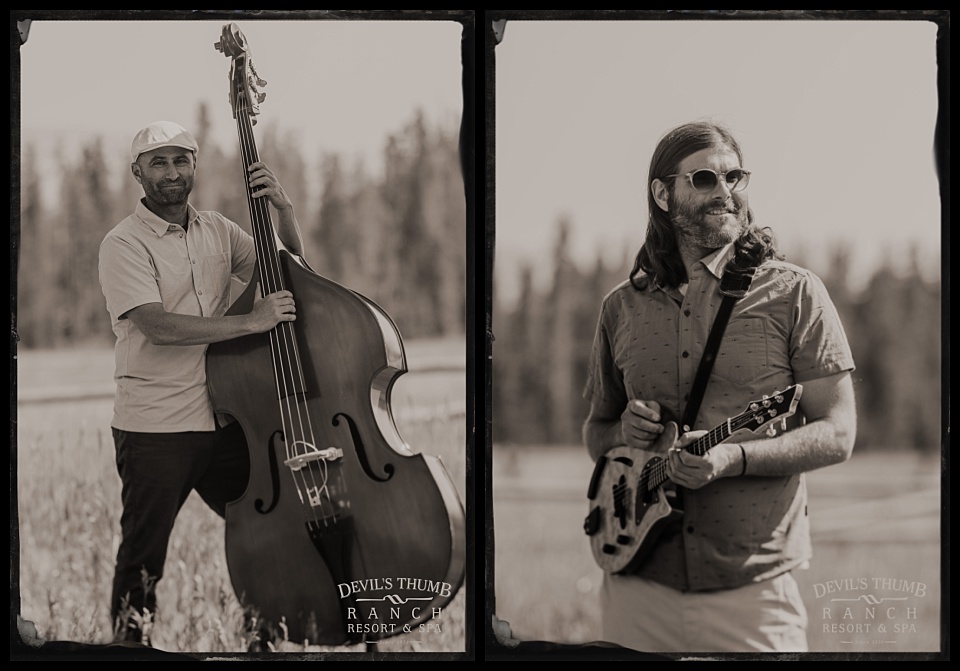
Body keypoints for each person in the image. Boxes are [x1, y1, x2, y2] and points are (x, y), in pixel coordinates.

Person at [582, 120, 857, 653]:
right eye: (704, 179)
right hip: (636, 588)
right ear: (663, 195)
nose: (725, 191)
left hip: (752, 594)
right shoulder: (621, 307)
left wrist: (735, 459)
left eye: (735, 176)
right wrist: (624, 430)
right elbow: (596, 435)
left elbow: (839, 433)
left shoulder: (796, 293)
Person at [98, 120, 305, 643]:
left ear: (194, 165)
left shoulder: (217, 229)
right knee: (143, 559)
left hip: (224, 421)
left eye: (181, 161)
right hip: (154, 430)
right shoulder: (121, 244)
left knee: (269, 528)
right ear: (137, 172)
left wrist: (284, 212)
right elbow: (157, 326)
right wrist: (250, 322)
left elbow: (288, 271)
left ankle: (263, 637)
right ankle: (129, 644)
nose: (172, 173)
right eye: (159, 163)